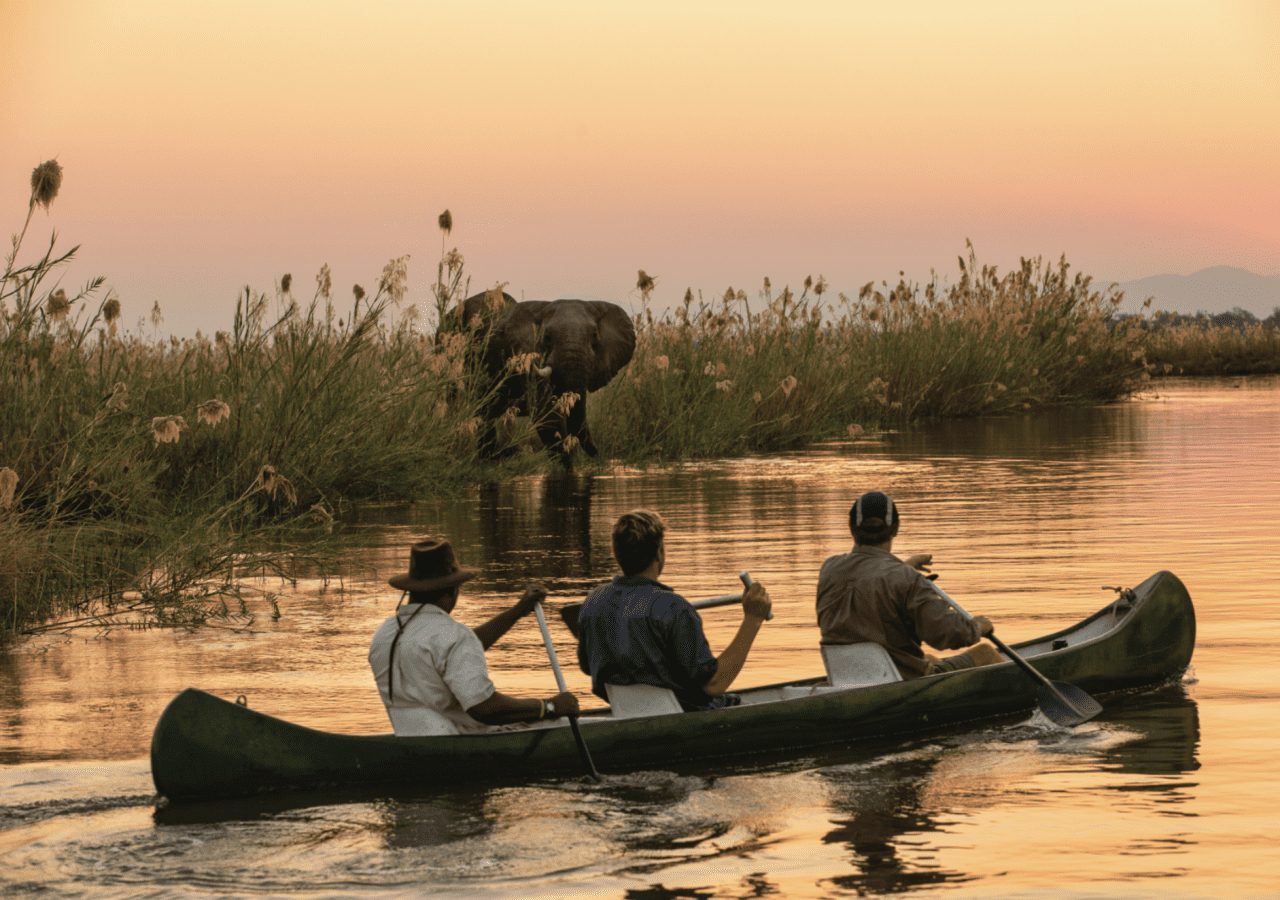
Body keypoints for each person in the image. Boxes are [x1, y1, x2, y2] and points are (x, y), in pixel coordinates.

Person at [369, 538, 579, 736]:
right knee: (553, 721)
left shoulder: (384, 634)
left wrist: (517, 611)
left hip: (408, 737)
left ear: (410, 591)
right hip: (458, 739)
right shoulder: (453, 637)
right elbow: (485, 708)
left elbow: (458, 650)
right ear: (452, 591)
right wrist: (549, 706)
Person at [576, 510, 772, 711]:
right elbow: (713, 685)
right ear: (660, 552)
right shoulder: (672, 608)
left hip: (625, 712)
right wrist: (753, 619)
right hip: (684, 714)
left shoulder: (594, 601)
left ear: (617, 554)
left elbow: (587, 666)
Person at [816, 491, 1002, 679]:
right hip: (898, 681)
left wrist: (902, 568)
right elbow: (946, 634)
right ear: (896, 528)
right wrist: (977, 627)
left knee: (929, 658)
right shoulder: (905, 579)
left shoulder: (829, 569)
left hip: (847, 680)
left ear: (851, 527)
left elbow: (870, 582)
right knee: (985, 652)